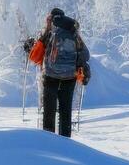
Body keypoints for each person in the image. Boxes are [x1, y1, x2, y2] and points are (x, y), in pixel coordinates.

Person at [24, 7, 91, 137]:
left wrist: (31, 46)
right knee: (65, 111)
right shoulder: (73, 34)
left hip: (50, 76)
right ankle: (66, 142)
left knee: (49, 112)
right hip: (69, 77)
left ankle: (49, 143)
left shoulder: (49, 34)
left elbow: (35, 56)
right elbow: (85, 55)